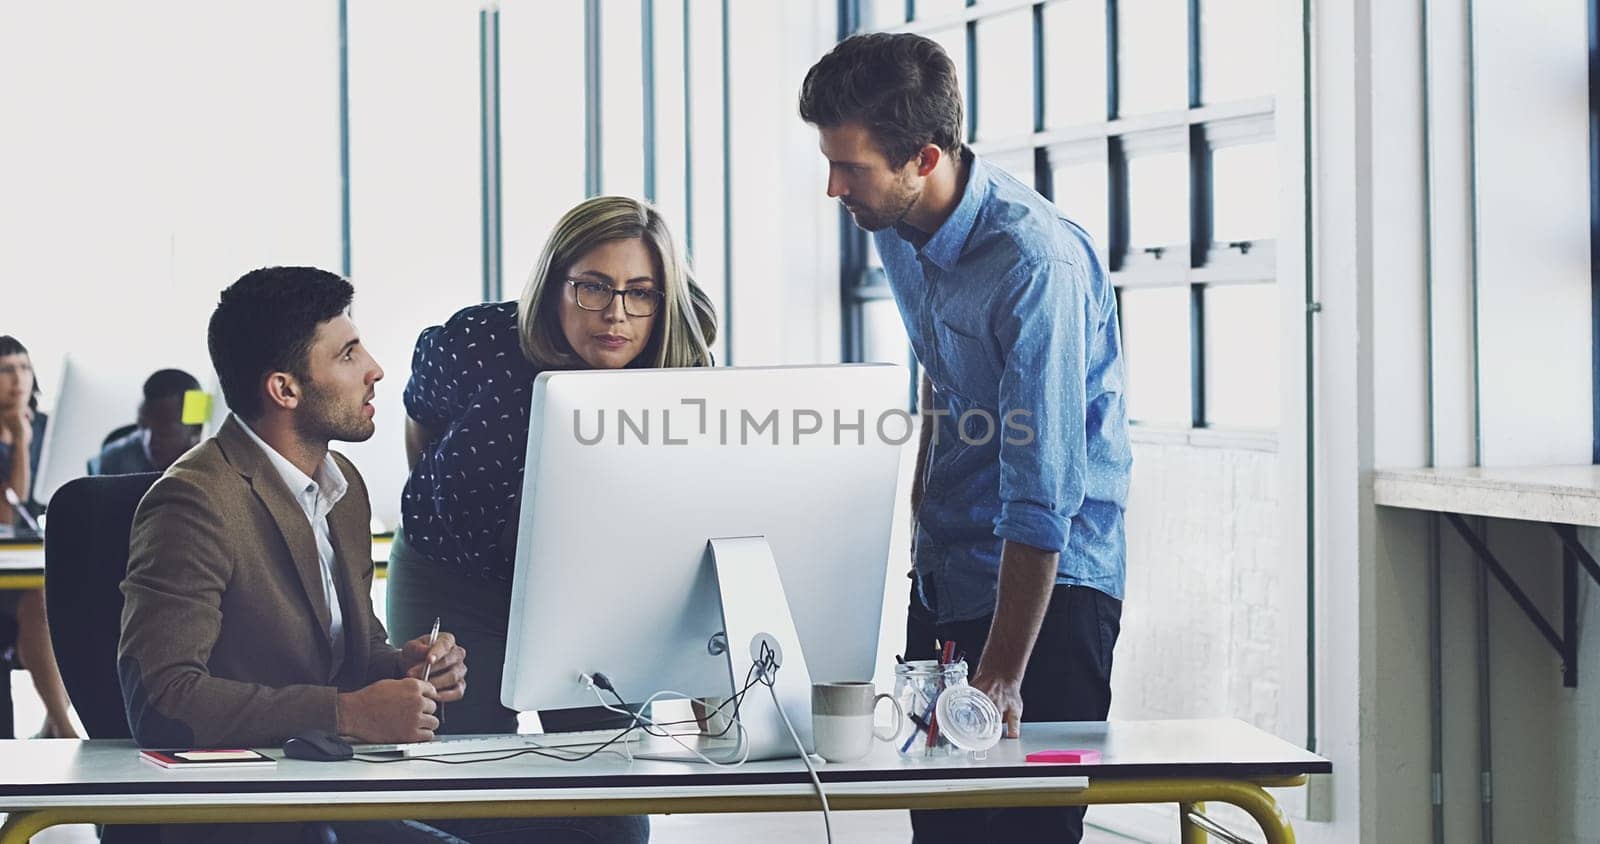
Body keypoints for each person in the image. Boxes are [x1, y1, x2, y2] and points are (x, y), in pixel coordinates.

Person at [120, 267, 615, 844]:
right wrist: (350, 714)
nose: (375, 369)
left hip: (335, 787)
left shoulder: (341, 487)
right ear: (285, 389)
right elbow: (163, 701)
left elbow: (341, 660)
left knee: (600, 824)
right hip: (241, 814)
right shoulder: (194, 501)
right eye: (349, 354)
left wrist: (403, 666)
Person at [801, 33, 1133, 843]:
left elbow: (1044, 495)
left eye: (851, 167)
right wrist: (922, 525)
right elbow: (943, 370)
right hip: (951, 577)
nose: (833, 186)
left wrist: (1002, 676)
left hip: (1049, 602)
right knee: (944, 835)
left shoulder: (1034, 266)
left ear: (923, 157)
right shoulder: (894, 223)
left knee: (1023, 836)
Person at [388, 195, 717, 742]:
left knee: (610, 780)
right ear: (553, 283)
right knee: (456, 764)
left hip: (594, 594)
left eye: (639, 294)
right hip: (452, 575)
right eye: (593, 287)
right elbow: (422, 424)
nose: (616, 313)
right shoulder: (475, 342)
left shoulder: (682, 375)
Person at [0, 336, 77, 740]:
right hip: (6, 576)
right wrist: (19, 442)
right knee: (39, 598)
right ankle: (63, 729)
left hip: (38, 562)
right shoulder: (22, 434)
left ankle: (54, 726)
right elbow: (10, 511)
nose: (18, 379)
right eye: (6, 370)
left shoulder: (52, 426)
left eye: (25, 368)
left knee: (66, 596)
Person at [89, 368, 204, 475]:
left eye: (164, 429)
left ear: (196, 429)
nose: (149, 441)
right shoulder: (114, 461)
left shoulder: (214, 467)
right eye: (143, 427)